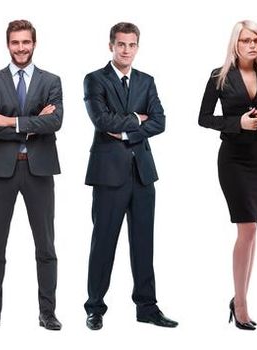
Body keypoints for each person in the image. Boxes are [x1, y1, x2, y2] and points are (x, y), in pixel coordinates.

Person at [81, 21, 178, 331]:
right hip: (108, 174)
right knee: (103, 243)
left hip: (142, 174)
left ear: (137, 47)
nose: (126, 50)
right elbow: (100, 119)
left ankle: (147, 307)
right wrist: (137, 118)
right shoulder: (95, 79)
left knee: (143, 243)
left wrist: (122, 131)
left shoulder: (146, 81)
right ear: (111, 45)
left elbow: (160, 121)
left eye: (131, 45)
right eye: (121, 44)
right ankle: (95, 307)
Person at [0, 19, 67, 331]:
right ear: (8, 44)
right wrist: (30, 124)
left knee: (46, 246)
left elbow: (55, 123)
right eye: (15, 42)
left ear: (34, 43)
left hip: (39, 170)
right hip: (0, 171)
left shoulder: (51, 81)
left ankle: (48, 312)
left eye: (25, 42)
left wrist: (10, 121)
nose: (21, 48)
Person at [198, 19, 257, 330]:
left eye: (256, 40)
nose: (251, 45)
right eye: (246, 40)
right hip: (233, 159)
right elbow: (203, 118)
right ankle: (240, 302)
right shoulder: (219, 76)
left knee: (252, 229)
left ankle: (239, 296)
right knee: (246, 229)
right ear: (235, 43)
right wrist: (236, 124)